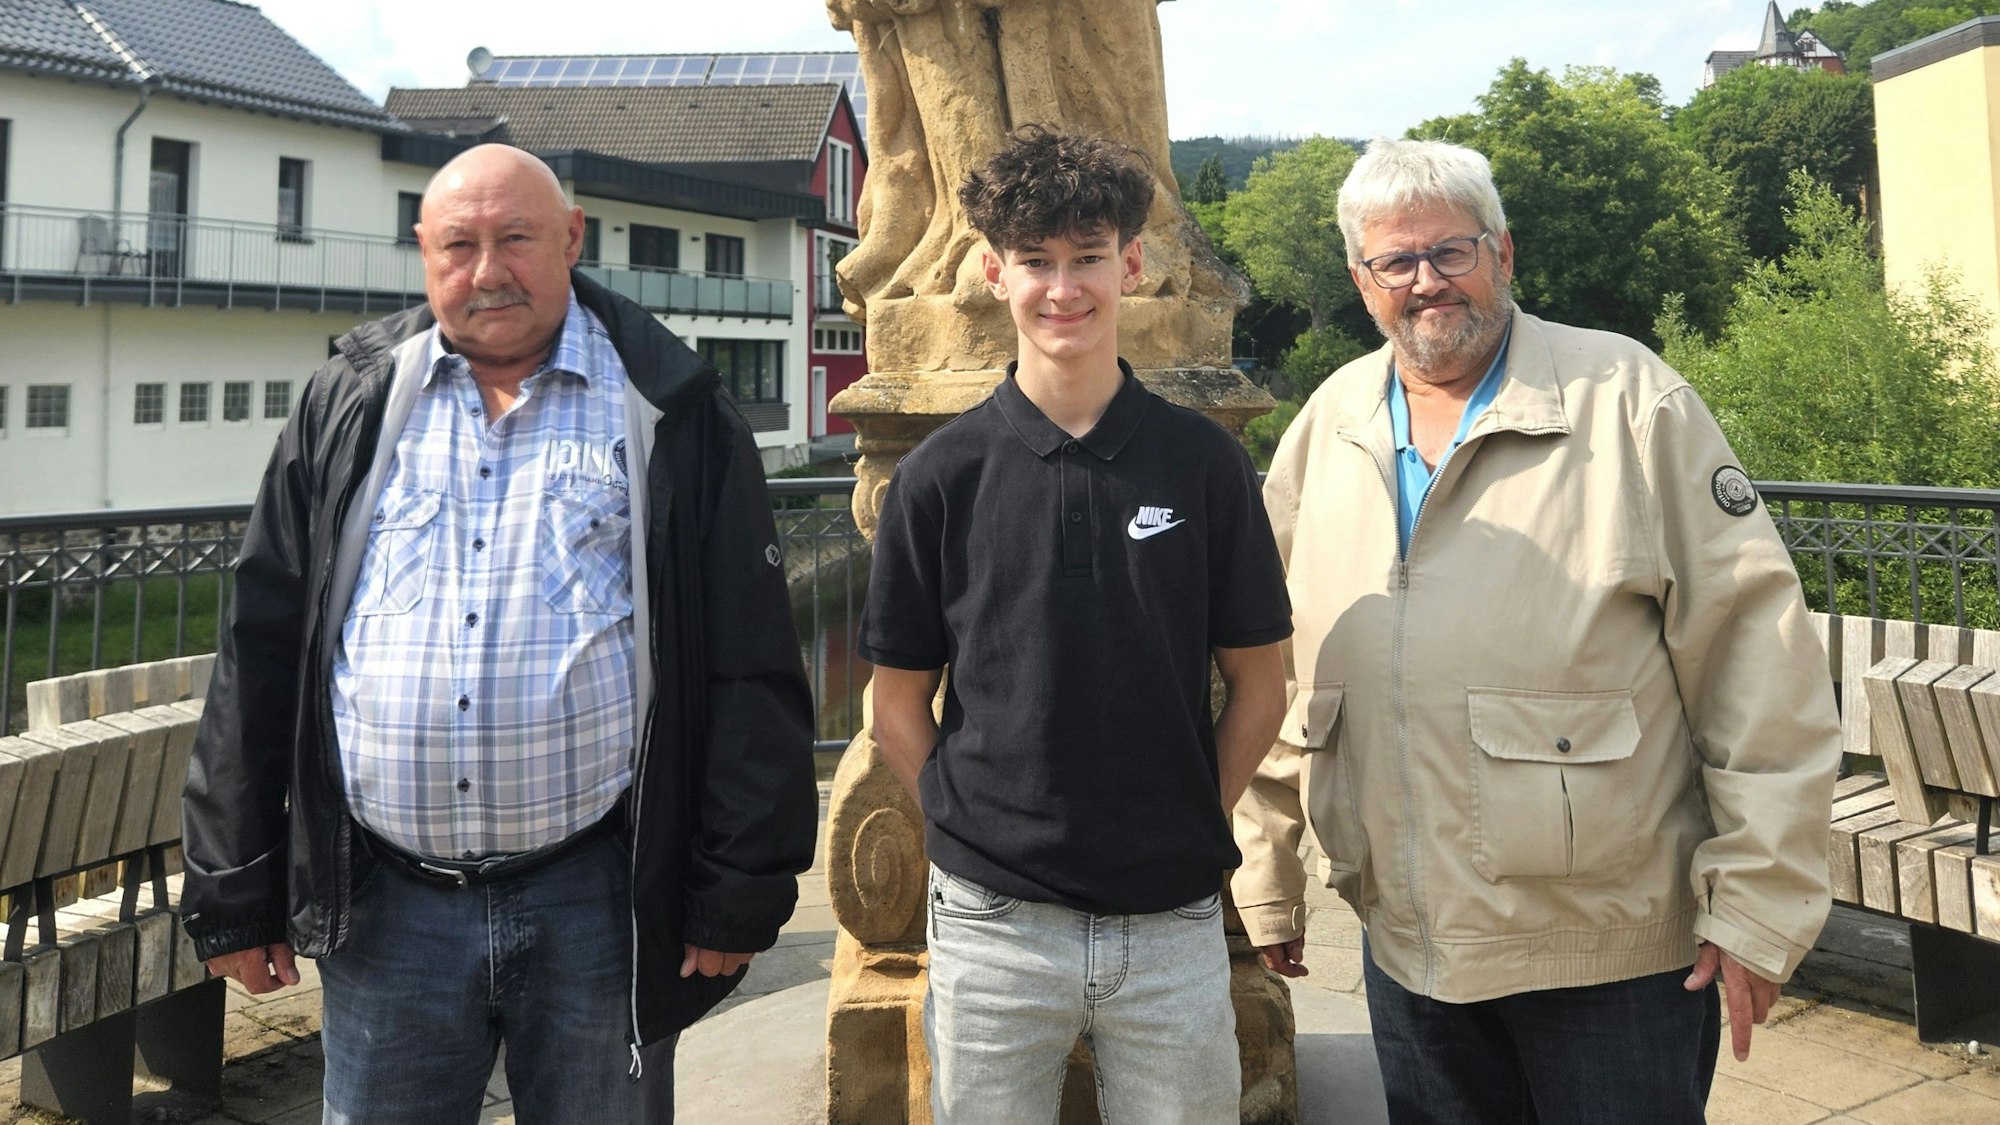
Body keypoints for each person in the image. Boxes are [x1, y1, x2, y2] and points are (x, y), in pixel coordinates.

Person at [180, 143, 818, 1124]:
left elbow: (748, 665)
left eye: (515, 239)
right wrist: (234, 885)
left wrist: (738, 887)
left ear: (569, 239)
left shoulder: (670, 409)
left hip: (599, 900)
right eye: (459, 245)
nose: (488, 272)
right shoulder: (346, 404)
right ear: (423, 253)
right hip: (382, 908)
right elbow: (259, 648)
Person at [1229, 137, 1843, 1124]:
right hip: (1405, 947)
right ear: (1359, 280)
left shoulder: (1626, 400)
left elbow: (1754, 663)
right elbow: (1274, 657)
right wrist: (1265, 873)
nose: (1427, 282)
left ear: (1502, 255)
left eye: (1451, 252)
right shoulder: (1330, 421)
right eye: (1396, 261)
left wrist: (1759, 907)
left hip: (1610, 955)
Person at [858, 126, 1293, 1125]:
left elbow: (1260, 685)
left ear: (1129, 266)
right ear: (991, 272)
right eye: (1036, 263)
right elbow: (894, 700)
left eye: (1087, 258)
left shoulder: (1203, 466)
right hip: (990, 924)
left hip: (1170, 919)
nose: (1063, 288)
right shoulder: (938, 480)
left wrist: (1191, 812)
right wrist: (969, 830)